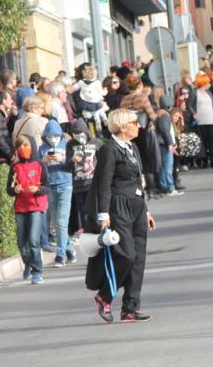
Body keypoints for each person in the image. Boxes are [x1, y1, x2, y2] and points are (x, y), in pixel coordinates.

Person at [85, 109, 157, 323]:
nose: (139, 126)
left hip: (136, 206)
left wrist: (146, 211)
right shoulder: (109, 150)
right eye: (135, 122)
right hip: (118, 206)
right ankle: (104, 296)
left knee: (139, 258)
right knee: (126, 255)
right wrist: (103, 215)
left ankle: (131, 308)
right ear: (123, 126)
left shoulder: (132, 147)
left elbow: (137, 182)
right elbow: (104, 184)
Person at [7, 135, 49, 285]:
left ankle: (37, 271)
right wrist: (15, 190)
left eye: (25, 145)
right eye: (19, 147)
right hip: (20, 207)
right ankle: (28, 264)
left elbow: (46, 186)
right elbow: (9, 189)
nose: (22, 149)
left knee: (33, 240)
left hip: (36, 206)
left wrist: (37, 189)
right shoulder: (14, 167)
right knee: (21, 242)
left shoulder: (39, 165)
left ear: (32, 146)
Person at [39, 120, 76, 266]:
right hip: (50, 187)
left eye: (56, 135)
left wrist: (63, 159)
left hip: (65, 185)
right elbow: (37, 167)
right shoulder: (42, 148)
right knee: (57, 222)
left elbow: (73, 163)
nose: (53, 138)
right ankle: (70, 250)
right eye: (50, 135)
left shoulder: (67, 146)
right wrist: (44, 160)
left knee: (61, 221)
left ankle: (60, 255)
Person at [119, 75, 162, 197]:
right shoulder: (143, 98)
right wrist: (153, 121)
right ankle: (151, 191)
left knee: (135, 162)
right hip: (143, 132)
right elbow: (152, 115)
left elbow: (121, 117)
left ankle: (137, 191)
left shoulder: (124, 100)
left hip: (129, 133)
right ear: (139, 86)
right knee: (148, 162)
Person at [66, 120, 102, 237]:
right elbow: (66, 166)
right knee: (83, 209)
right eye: (74, 133)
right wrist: (72, 161)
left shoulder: (96, 142)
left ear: (85, 131)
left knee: (96, 207)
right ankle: (87, 230)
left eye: (79, 132)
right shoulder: (70, 144)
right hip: (78, 184)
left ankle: (97, 228)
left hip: (93, 182)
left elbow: (103, 160)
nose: (78, 135)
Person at [189, 73, 213, 168]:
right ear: (203, 82)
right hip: (200, 121)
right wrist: (194, 114)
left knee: (212, 141)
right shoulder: (194, 93)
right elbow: (190, 106)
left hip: (211, 120)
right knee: (203, 142)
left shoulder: (209, 93)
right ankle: (204, 161)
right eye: (208, 82)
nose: (209, 84)